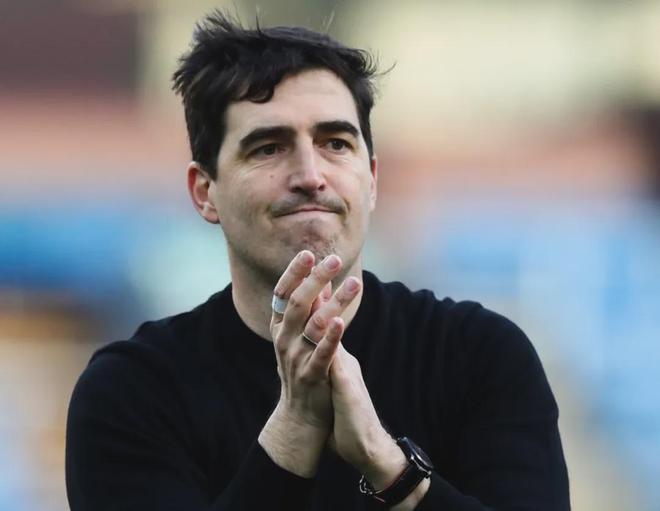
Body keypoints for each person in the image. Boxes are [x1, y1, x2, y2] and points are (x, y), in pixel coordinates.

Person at [65, 11, 570, 511]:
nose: (310, 175)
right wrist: (294, 430)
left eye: (335, 143)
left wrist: (388, 465)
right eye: (268, 148)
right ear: (205, 192)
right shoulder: (132, 391)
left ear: (372, 180)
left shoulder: (480, 356)